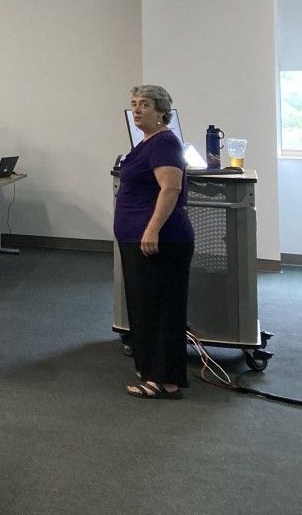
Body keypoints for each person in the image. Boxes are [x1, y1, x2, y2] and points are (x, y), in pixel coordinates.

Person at [116, 84, 194, 399]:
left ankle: (165, 380)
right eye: (134, 103)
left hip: (159, 240)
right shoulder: (147, 143)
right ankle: (151, 370)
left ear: (161, 111)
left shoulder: (164, 143)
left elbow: (171, 188)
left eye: (144, 104)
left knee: (161, 310)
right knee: (145, 306)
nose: (136, 109)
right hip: (137, 238)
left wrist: (151, 229)